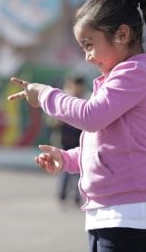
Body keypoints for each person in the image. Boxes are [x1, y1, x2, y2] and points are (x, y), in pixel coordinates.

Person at [8, 0, 146, 252]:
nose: (87, 56)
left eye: (89, 44)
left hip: (129, 221)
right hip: (115, 218)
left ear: (123, 35)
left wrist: (46, 95)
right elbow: (109, 145)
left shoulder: (136, 73)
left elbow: (90, 117)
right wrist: (68, 159)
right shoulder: (133, 76)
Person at [50, 76, 86, 208]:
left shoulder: (86, 101)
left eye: (77, 85)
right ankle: (62, 197)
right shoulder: (64, 101)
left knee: (79, 173)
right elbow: (53, 123)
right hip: (65, 142)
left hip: (79, 143)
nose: (75, 88)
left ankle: (77, 198)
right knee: (64, 171)